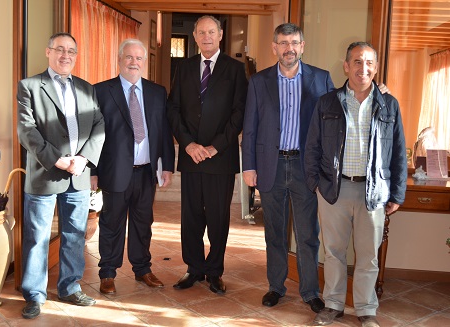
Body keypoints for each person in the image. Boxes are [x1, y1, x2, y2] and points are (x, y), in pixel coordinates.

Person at [304, 42, 407, 327]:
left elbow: (398, 150)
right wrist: (316, 184)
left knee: (367, 256)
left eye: (369, 63)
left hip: (373, 193)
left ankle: (365, 309)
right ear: (346, 66)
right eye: (357, 62)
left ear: (375, 67)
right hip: (334, 191)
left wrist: (396, 192)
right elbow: (311, 147)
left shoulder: (389, 104)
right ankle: (334, 305)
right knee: (333, 252)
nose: (364, 68)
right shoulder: (327, 103)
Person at [241, 23, 334, 312]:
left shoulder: (321, 79)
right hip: (272, 165)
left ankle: (310, 291)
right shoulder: (259, 81)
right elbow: (251, 127)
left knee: (307, 234)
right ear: (274, 47)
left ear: (302, 46)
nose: (289, 48)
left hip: (306, 167)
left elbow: (333, 124)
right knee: (275, 233)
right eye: (283, 43)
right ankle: (276, 287)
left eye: (294, 42)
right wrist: (249, 166)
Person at [17, 32, 105, 319]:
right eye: (60, 49)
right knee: (38, 237)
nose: (66, 55)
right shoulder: (29, 86)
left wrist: (83, 158)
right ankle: (34, 294)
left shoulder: (87, 88)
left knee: (74, 235)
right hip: (45, 172)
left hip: (78, 174)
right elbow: (26, 131)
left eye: (71, 51)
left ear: (76, 56)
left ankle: (69, 287)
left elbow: (99, 126)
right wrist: (58, 159)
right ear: (48, 52)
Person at [167, 15, 248, 294]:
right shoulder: (185, 67)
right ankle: (194, 268)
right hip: (191, 157)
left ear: (221, 34)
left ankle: (214, 271)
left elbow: (239, 113)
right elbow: (173, 109)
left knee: (217, 218)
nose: (206, 37)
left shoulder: (235, 70)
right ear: (194, 35)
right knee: (190, 217)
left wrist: (216, 146)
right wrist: (188, 144)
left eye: (211, 32)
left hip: (220, 159)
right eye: (201, 32)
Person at [91, 39, 175, 294]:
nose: (133, 63)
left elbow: (163, 132)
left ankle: (142, 269)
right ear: (119, 59)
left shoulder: (157, 92)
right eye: (129, 57)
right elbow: (93, 136)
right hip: (114, 171)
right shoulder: (102, 91)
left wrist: (167, 166)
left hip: (146, 172)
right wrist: (93, 172)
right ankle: (107, 273)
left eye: (139, 59)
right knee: (111, 223)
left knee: (143, 223)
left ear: (144, 63)